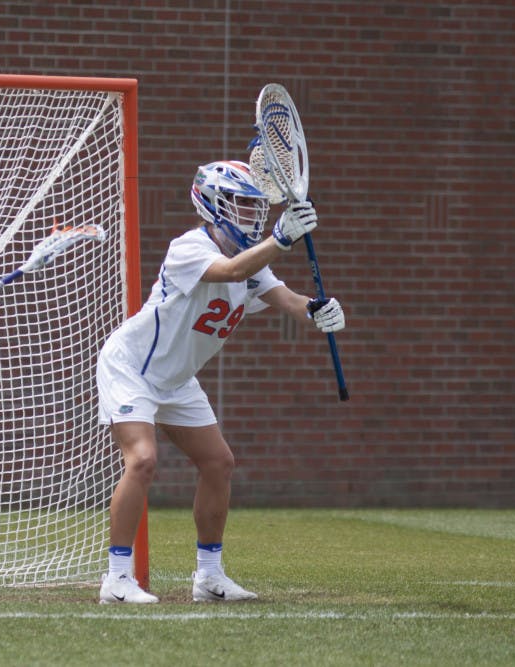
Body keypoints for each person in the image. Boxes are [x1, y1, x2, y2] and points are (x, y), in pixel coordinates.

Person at [96, 161, 345, 604]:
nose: (254, 215)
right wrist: (282, 238)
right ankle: (116, 579)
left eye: (256, 206)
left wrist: (315, 311)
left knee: (219, 463)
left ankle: (208, 578)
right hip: (132, 367)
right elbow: (231, 271)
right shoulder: (188, 247)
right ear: (211, 204)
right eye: (243, 205)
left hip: (176, 379)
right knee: (143, 460)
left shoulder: (253, 260)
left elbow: (284, 297)